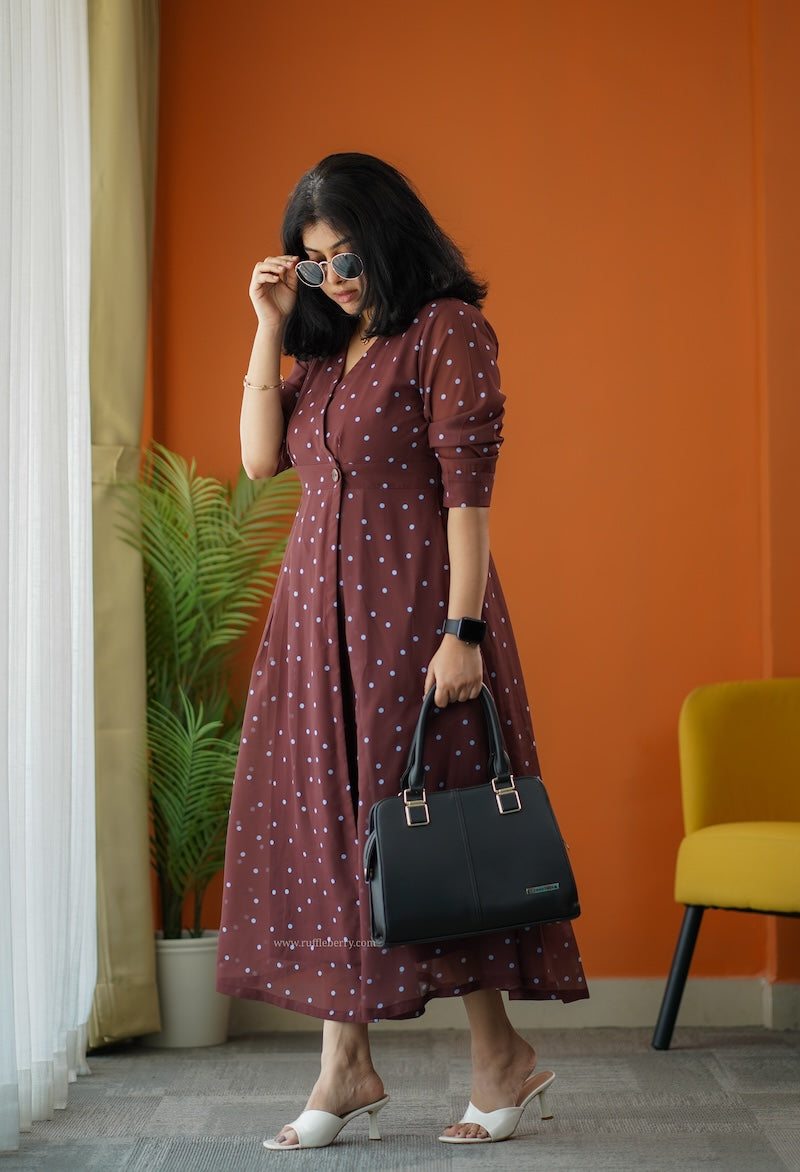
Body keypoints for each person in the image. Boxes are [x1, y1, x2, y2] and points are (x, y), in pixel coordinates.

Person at [217, 152, 587, 1149]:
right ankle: (345, 1065)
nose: (334, 277)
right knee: (343, 835)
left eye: (346, 256)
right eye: (313, 263)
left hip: (415, 616)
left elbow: (468, 500)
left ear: (387, 236)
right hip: (316, 625)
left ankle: (494, 1057)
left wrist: (461, 632)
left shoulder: (446, 332)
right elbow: (260, 460)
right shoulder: (328, 354)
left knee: (424, 836)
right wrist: (266, 325)